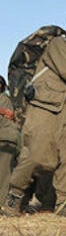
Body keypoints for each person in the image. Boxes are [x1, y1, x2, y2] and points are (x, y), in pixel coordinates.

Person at [6, 12, 66, 216]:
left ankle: (64, 203)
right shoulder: (59, 44)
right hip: (45, 106)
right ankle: (15, 196)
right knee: (36, 155)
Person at [0, 76, 19, 214]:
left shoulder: (3, 99)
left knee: (4, 172)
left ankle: (1, 203)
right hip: (6, 138)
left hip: (6, 138)